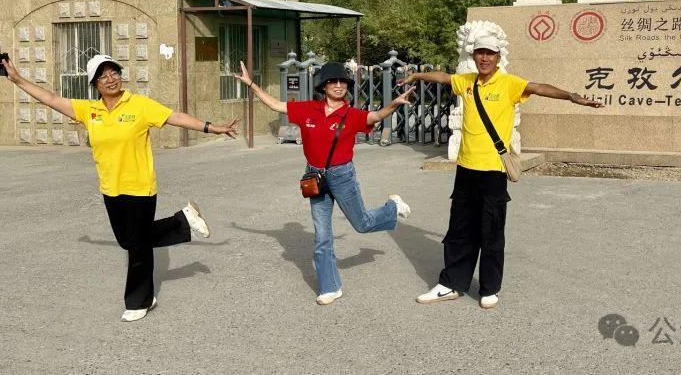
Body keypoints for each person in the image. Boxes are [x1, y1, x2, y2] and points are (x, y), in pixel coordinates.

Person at [1, 53, 238, 322]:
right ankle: (183, 221)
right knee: (128, 241)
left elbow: (174, 117)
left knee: (138, 247)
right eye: (102, 76)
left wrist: (211, 128)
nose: (110, 79)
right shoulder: (90, 110)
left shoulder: (139, 104)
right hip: (110, 188)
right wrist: (18, 79)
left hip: (139, 187)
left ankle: (140, 301)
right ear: (94, 83)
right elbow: (52, 99)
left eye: (114, 72)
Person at [399, 33, 602, 309]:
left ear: (497, 58)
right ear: (474, 56)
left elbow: (539, 87)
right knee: (459, 230)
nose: (484, 58)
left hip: (493, 171)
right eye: (480, 53)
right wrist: (416, 76)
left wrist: (571, 96)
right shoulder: (466, 81)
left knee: (491, 231)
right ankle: (451, 283)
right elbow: (444, 77)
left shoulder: (509, 84)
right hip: (466, 169)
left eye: (490, 54)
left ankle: (490, 287)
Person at [236, 59, 415, 305]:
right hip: (315, 177)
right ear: (323, 85)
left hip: (342, 176)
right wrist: (251, 84)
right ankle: (330, 286)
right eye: (333, 81)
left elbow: (375, 115)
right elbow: (276, 104)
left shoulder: (351, 114)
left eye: (343, 82)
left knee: (362, 224)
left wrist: (393, 104)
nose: (339, 85)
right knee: (322, 236)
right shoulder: (308, 109)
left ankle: (392, 207)